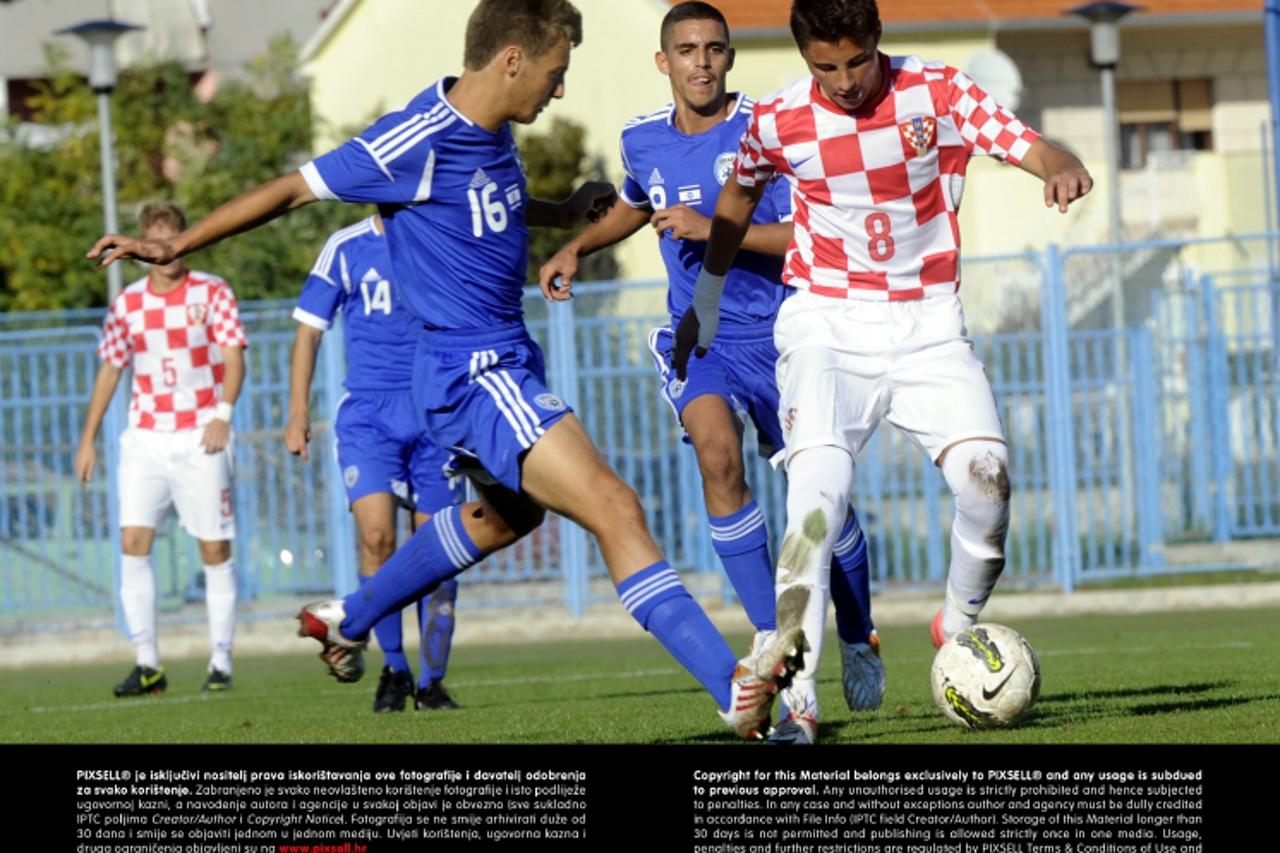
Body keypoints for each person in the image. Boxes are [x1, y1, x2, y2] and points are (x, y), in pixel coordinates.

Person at [87, 0, 803, 740]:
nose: (559, 91)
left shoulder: (491, 134)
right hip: (477, 370)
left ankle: (349, 616)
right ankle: (736, 691)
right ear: (513, 60)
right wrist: (178, 247)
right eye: (556, 74)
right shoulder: (415, 137)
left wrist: (563, 213)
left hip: (495, 362)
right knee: (615, 507)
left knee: (507, 517)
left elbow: (494, 207)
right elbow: (292, 187)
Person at [674, 0, 1093, 743]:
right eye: (824, 67)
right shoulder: (776, 119)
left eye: (857, 61)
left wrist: (1056, 162)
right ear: (805, 58)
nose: (842, 81)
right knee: (815, 503)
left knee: (987, 482)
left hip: (929, 324)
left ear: (878, 43)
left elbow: (1017, 141)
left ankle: (958, 625)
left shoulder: (936, 90)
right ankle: (799, 703)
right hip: (826, 324)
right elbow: (736, 198)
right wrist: (704, 298)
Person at [538, 1, 884, 744]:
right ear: (663, 62)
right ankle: (777, 648)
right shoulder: (640, 139)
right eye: (687, 49)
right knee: (717, 457)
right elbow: (636, 204)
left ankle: (858, 632)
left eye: (715, 49)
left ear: (730, 58)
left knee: (822, 503)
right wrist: (578, 249)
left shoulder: (772, 127)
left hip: (792, 333)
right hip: (701, 337)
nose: (702, 61)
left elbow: (811, 235)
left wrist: (715, 229)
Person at [286, 215, 465, 713]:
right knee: (376, 539)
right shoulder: (345, 246)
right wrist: (298, 411)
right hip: (369, 417)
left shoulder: (440, 231)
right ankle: (394, 668)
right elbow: (308, 330)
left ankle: (432, 682)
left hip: (437, 411)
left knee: (439, 555)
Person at [76, 201, 248, 696]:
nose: (163, 253)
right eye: (153, 243)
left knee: (213, 547)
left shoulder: (212, 292)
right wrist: (87, 439)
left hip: (201, 434)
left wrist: (223, 415)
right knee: (133, 542)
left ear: (183, 239)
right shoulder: (128, 303)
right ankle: (148, 662)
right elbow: (110, 369)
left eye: (171, 239)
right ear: (141, 250)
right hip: (146, 437)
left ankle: (220, 660)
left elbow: (234, 357)